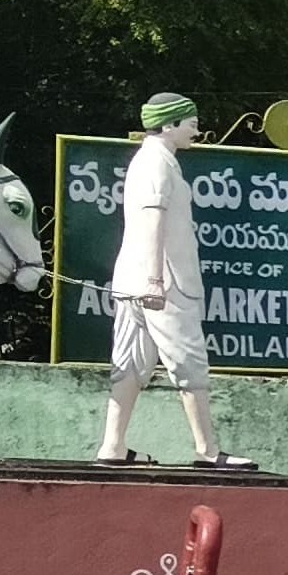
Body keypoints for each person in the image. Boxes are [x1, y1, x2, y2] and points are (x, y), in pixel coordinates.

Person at [95, 91, 255, 470]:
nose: (197, 130)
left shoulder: (152, 160)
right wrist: (154, 280)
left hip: (135, 278)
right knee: (189, 363)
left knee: (131, 364)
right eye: (191, 123)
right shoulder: (157, 163)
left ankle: (113, 446)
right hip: (163, 282)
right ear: (169, 125)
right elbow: (153, 220)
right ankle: (208, 451)